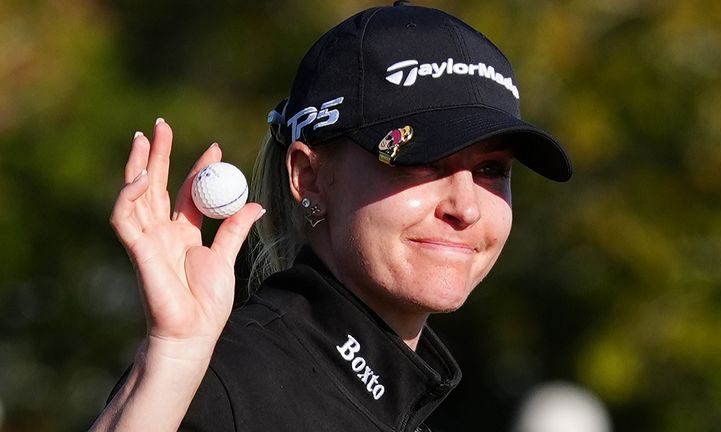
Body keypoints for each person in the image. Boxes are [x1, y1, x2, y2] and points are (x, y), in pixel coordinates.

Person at [90, 1, 572, 431]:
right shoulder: (222, 385)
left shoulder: (401, 405)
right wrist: (173, 357)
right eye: (421, 160)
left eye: (491, 169)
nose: (465, 207)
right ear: (309, 177)